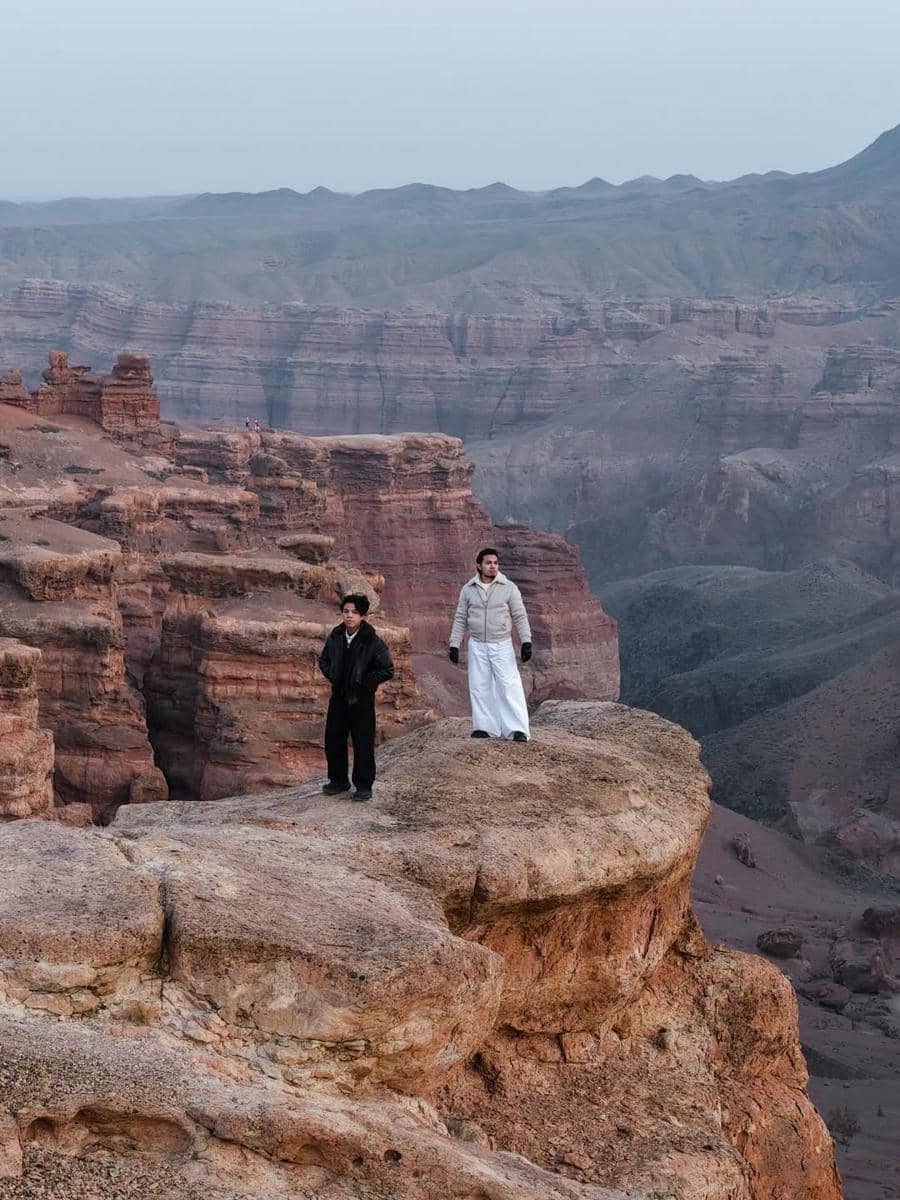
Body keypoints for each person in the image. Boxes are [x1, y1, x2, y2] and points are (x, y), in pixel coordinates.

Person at [448, 548, 532, 741]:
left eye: (495, 563)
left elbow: (520, 615)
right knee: (480, 686)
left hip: (501, 644)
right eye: (488, 563)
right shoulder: (468, 589)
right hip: (477, 644)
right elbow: (460, 617)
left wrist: (526, 641)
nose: (493, 566)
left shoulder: (508, 587)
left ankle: (517, 730)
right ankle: (485, 728)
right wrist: (454, 644)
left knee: (509, 686)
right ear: (479, 565)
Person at [318, 593, 394, 800]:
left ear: (363, 616)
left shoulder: (372, 641)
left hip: (362, 700)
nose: (349, 616)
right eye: (346, 611)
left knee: (362, 742)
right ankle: (338, 781)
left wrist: (366, 684)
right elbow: (324, 660)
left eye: (354, 612)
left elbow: (387, 669)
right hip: (339, 697)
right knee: (334, 739)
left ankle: (363, 786)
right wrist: (334, 676)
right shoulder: (336, 636)